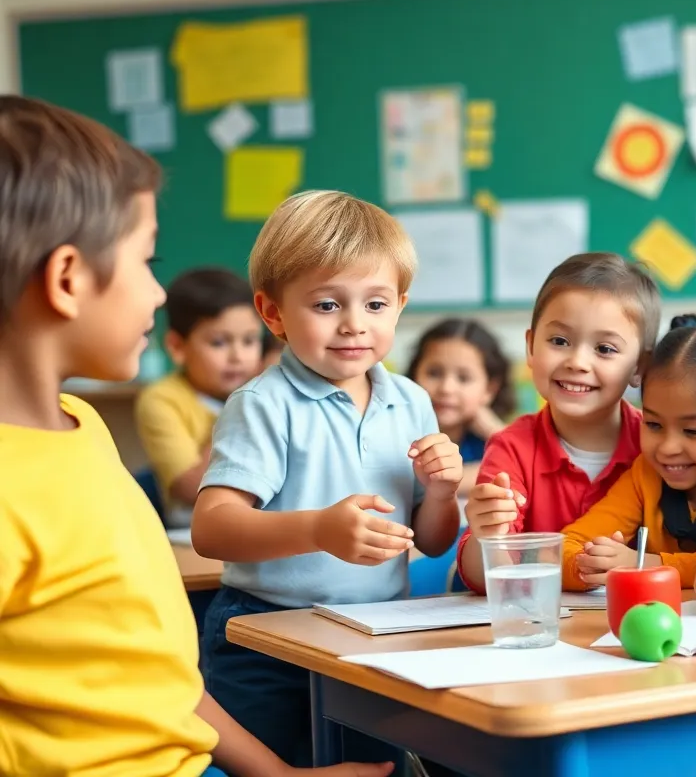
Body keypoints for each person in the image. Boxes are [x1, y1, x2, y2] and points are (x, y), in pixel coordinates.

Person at [0, 95, 389, 777]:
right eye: (145, 261)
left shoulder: (83, 428)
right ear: (67, 279)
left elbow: (164, 682)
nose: (157, 293)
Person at [192, 190, 462, 765]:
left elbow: (433, 540)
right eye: (326, 305)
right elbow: (211, 529)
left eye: (375, 304)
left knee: (375, 767)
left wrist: (441, 493)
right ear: (273, 314)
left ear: (400, 306)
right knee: (278, 768)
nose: (353, 326)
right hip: (265, 636)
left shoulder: (411, 401)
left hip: (372, 633)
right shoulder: (263, 403)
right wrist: (318, 529)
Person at [456, 252, 661, 592]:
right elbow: (484, 580)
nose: (578, 361)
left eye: (605, 349)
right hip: (541, 627)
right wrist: (486, 536)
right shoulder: (512, 447)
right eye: (560, 341)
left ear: (640, 366)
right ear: (531, 347)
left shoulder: (657, 445)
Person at [561, 316, 696, 589]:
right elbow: (567, 547)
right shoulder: (645, 473)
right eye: (653, 424)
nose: (667, 447)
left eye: (692, 431)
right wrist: (587, 566)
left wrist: (641, 565)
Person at [134, 267, 263, 526]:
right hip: (193, 532)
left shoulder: (265, 390)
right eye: (218, 343)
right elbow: (189, 489)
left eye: (249, 341)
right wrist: (235, 416)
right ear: (177, 347)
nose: (238, 356)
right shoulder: (161, 400)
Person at [406, 318, 515, 493]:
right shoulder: (401, 432)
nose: (446, 388)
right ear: (414, 375)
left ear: (489, 389)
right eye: (434, 373)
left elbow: (528, 470)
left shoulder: (487, 441)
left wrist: (494, 430)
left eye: (463, 378)